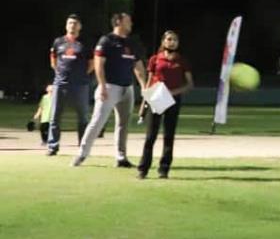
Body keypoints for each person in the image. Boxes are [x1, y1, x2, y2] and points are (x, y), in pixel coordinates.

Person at [72, 13, 147, 168]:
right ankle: (82, 154)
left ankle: (121, 157)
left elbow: (138, 66)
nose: (131, 23)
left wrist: (144, 86)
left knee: (123, 124)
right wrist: (103, 86)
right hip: (110, 87)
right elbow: (99, 64)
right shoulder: (107, 41)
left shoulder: (131, 43)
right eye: (128, 21)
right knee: (97, 121)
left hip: (127, 88)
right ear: (118, 22)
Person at [137, 31, 194, 179]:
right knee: (150, 136)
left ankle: (164, 169)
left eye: (175, 39)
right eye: (169, 39)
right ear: (163, 42)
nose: (172, 42)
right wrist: (144, 103)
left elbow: (189, 84)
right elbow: (149, 82)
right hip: (156, 98)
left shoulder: (182, 61)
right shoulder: (155, 59)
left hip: (173, 100)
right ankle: (143, 169)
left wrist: (173, 93)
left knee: (169, 136)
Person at [46, 13, 93, 156]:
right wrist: (60, 73)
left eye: (75, 23)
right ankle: (52, 146)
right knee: (55, 116)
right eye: (70, 23)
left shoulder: (85, 44)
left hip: (80, 85)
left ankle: (82, 147)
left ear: (80, 26)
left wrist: (81, 75)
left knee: (83, 117)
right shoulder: (58, 42)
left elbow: (92, 64)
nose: (72, 25)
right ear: (66, 25)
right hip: (60, 84)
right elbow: (53, 60)